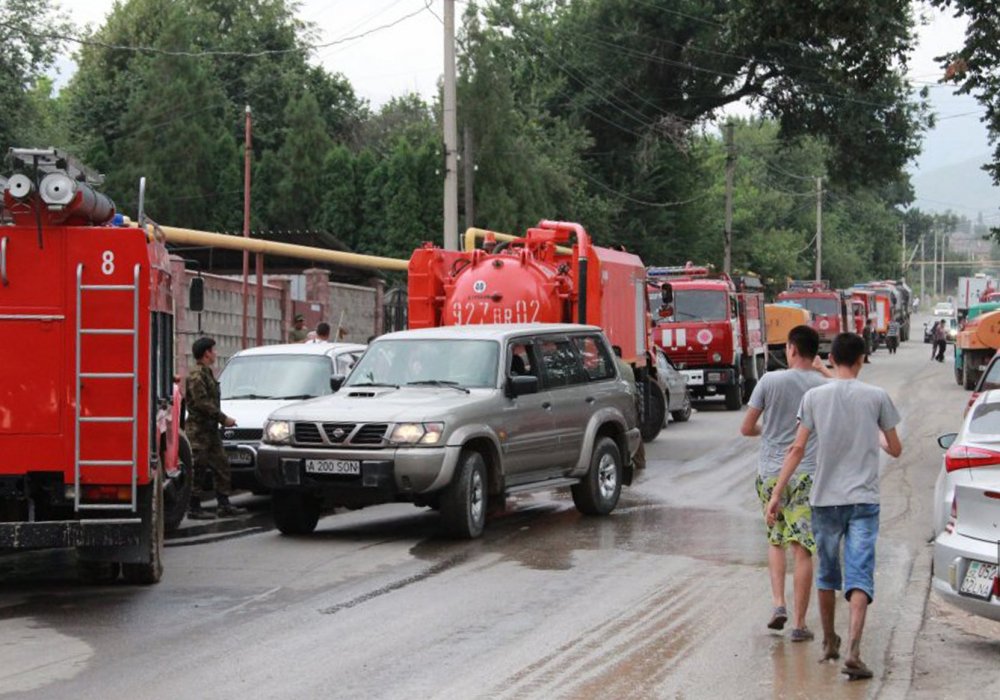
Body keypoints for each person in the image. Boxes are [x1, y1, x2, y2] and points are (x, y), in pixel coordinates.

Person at [766, 332, 902, 680]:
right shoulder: (877, 397)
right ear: (860, 360)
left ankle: (829, 642)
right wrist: (878, 441)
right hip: (864, 501)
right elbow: (896, 448)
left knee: (827, 573)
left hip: (825, 501)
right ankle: (854, 650)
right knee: (859, 573)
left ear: (831, 358)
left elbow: (796, 449)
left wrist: (777, 492)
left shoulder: (813, 398)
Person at [741, 325, 832, 640]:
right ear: (814, 351)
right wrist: (824, 369)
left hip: (769, 474)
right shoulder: (823, 386)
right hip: (807, 474)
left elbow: (747, 427)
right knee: (803, 548)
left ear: (791, 349)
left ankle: (779, 603)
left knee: (775, 539)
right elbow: (846, 391)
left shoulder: (770, 380)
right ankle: (800, 624)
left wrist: (766, 433)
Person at [184, 337, 247, 519]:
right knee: (199, 468)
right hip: (198, 431)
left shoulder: (207, 373)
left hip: (210, 431)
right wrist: (223, 418)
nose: (215, 353)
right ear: (206, 353)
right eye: (213, 350)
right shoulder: (196, 375)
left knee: (222, 465)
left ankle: (224, 504)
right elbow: (202, 403)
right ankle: (194, 507)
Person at [612, 345, 646, 470]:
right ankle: (640, 461)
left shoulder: (611, 366)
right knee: (634, 429)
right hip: (631, 400)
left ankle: (621, 462)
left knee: (620, 430)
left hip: (619, 401)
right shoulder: (627, 367)